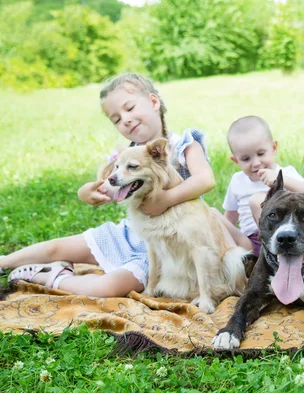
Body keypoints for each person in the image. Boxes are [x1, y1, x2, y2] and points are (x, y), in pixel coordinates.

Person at [0, 73, 247, 297]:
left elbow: (205, 180)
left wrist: (165, 200)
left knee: (106, 287)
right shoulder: (124, 156)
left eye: (130, 108)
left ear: (153, 102)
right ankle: (5, 261)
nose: (126, 121)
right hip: (130, 232)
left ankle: (52, 276)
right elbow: (105, 187)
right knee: (57, 247)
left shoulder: (183, 144)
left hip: (168, 243)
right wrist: (86, 192)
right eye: (116, 119)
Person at [222, 116, 304, 256]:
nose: (256, 163)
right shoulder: (237, 181)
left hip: (282, 235)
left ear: (274, 148)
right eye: (246, 159)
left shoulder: (285, 173)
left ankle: (270, 256)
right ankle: (248, 264)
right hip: (249, 241)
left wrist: (282, 180)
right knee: (214, 216)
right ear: (235, 160)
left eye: (261, 154)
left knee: (257, 201)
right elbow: (230, 218)